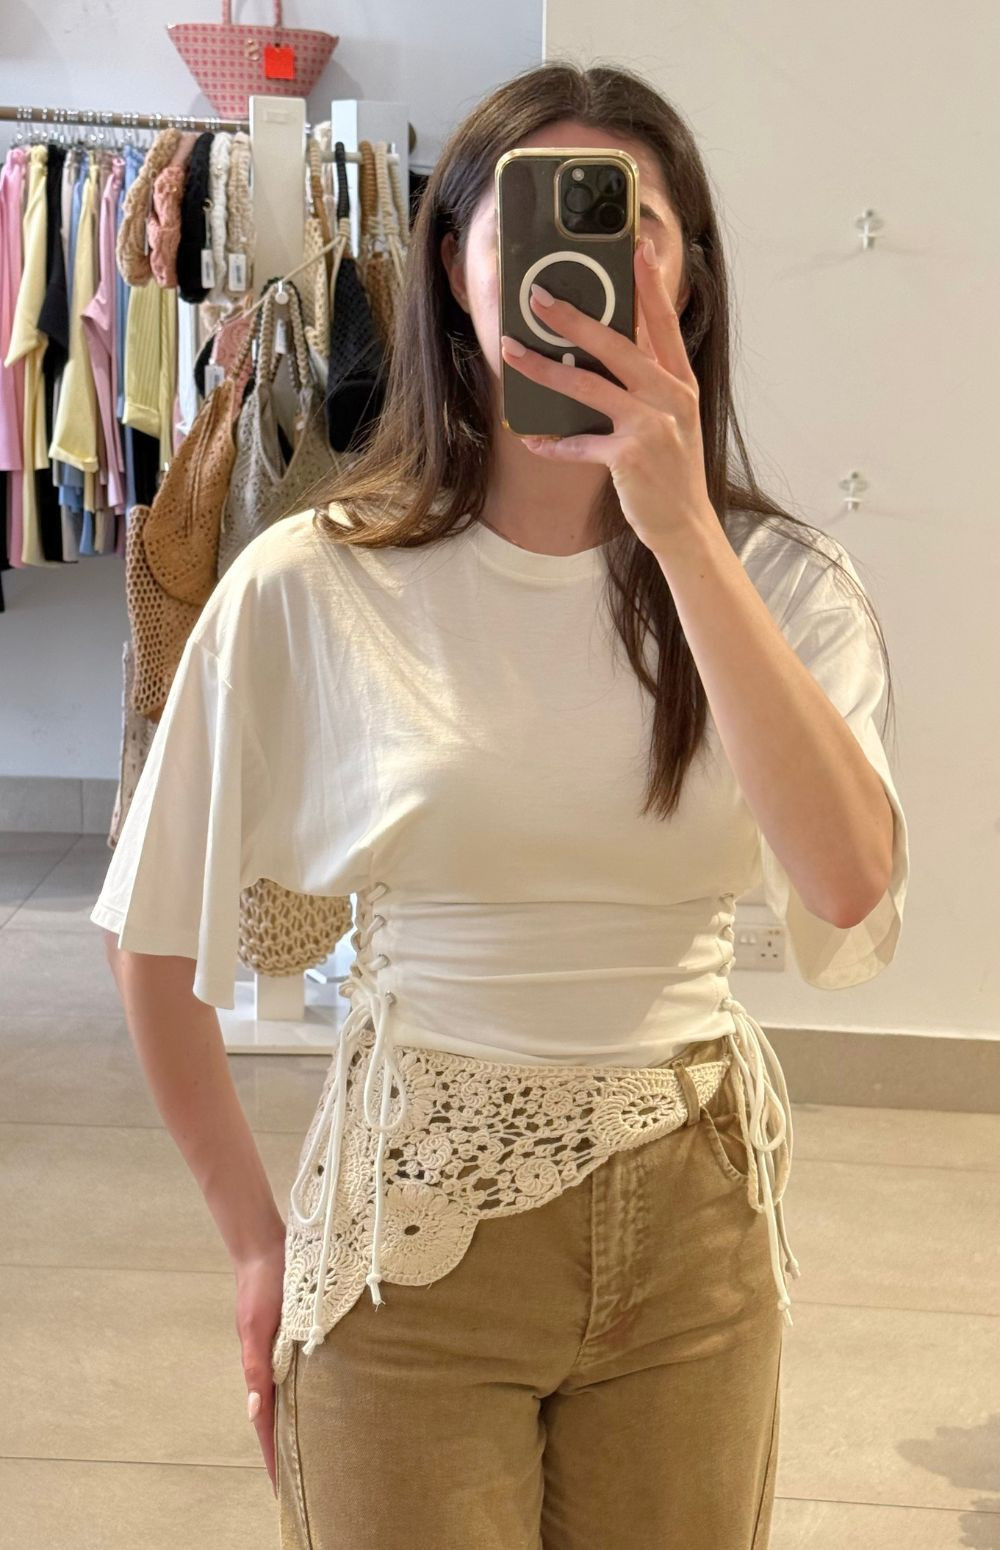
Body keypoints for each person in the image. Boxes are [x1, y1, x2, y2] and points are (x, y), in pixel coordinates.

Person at [92, 60, 909, 1550]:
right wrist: (254, 1241)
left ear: (690, 279)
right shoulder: (319, 580)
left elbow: (850, 879)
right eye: (530, 218)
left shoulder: (784, 585)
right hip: (407, 1232)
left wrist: (680, 531)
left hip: (696, 1225)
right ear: (455, 269)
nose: (581, 261)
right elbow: (146, 934)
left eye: (631, 222)